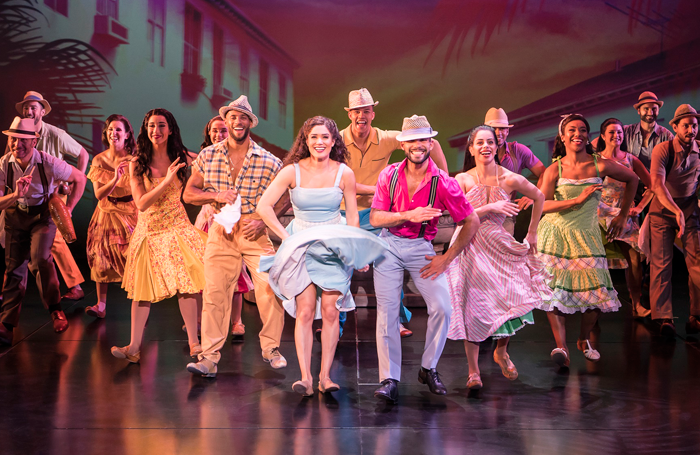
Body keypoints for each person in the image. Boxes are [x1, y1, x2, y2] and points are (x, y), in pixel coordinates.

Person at [257, 116, 388, 396]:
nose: (319, 142)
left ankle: (325, 377)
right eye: (314, 137)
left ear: (333, 141)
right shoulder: (292, 171)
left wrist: (356, 250)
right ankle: (305, 377)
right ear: (305, 140)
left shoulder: (344, 173)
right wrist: (286, 236)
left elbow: (352, 216)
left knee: (330, 310)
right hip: (301, 244)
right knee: (305, 311)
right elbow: (264, 206)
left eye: (325, 137)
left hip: (333, 244)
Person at [370, 115, 479, 403]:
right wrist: (407, 215)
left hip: (421, 247)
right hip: (389, 246)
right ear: (403, 145)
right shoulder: (389, 175)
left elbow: (471, 221)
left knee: (442, 306)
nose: (418, 145)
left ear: (431, 143)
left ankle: (428, 368)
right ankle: (389, 378)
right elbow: (376, 217)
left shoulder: (444, 182)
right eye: (412, 140)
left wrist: (447, 259)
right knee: (388, 313)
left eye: (423, 139)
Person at [185, 95, 289, 378]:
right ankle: (208, 358)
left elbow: (286, 196)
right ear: (226, 121)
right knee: (215, 294)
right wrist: (215, 194)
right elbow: (189, 193)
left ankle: (271, 349)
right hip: (221, 230)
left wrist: (265, 223)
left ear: (250, 122)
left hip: (254, 229)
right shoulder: (209, 156)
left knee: (270, 290)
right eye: (233, 117)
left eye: (243, 117)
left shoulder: (268, 160)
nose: (237, 121)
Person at [332, 87, 448, 339]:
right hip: (344, 213)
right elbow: (338, 178)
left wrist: (443, 177)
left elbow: (430, 141)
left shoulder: (385, 138)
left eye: (366, 110)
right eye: (356, 111)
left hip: (377, 213)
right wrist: (380, 188)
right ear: (349, 114)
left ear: (373, 113)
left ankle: (397, 319)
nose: (361, 115)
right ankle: (335, 325)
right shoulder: (337, 139)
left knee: (388, 262)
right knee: (341, 268)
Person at [447, 125, 549, 390]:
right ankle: (473, 372)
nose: (485, 147)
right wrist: (490, 207)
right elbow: (459, 217)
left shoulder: (508, 178)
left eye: (490, 142)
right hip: (469, 246)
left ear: (497, 146)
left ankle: (501, 351)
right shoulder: (462, 180)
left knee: (510, 297)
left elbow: (539, 196)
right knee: (471, 306)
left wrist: (533, 231)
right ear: (471, 148)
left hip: (498, 244)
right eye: (479, 142)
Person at [537, 114, 637, 366]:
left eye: (583, 130)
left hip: (587, 234)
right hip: (556, 234)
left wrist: (623, 215)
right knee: (555, 295)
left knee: (596, 294)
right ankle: (561, 347)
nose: (577, 134)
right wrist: (575, 200)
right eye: (572, 130)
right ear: (562, 136)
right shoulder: (554, 169)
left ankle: (582, 339)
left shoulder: (599, 164)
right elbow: (542, 205)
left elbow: (633, 178)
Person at [111, 108, 206, 363]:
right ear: (145, 129)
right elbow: (141, 203)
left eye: (162, 125)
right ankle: (133, 347)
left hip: (177, 227)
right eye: (152, 125)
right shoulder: (136, 163)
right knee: (141, 292)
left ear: (171, 129)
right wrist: (166, 181)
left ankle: (195, 343)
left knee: (186, 285)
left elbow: (208, 166)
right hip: (149, 230)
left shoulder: (183, 157)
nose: (157, 131)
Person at [0, 117, 86, 345]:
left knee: (40, 259)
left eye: (23, 140)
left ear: (34, 141)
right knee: (14, 268)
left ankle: (55, 309)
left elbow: (80, 177)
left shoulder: (49, 163)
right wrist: (16, 195)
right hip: (15, 214)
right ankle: (6, 325)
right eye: (13, 139)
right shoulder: (4, 164)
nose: (17, 144)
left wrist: (68, 209)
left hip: (42, 216)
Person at [16, 91, 88, 301]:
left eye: (33, 108)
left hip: (54, 195)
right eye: (26, 108)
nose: (29, 112)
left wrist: (76, 180)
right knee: (20, 239)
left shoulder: (56, 134)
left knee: (53, 237)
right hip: (29, 196)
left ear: (43, 111)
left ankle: (74, 286)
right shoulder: (19, 133)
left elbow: (83, 153)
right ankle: (12, 286)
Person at [193, 115, 250, 341]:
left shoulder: (240, 156)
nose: (218, 135)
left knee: (236, 273)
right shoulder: (204, 158)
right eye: (214, 131)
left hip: (233, 220)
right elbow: (192, 191)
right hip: (208, 219)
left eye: (222, 130)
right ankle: (199, 320)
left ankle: (237, 320)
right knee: (203, 272)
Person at [648, 104, 700, 337]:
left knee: (697, 261)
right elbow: (657, 185)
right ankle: (663, 317)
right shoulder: (663, 149)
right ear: (675, 127)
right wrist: (674, 210)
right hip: (663, 210)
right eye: (686, 125)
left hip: (689, 208)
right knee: (661, 263)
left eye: (695, 125)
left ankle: (696, 315)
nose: (691, 129)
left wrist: (687, 209)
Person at [595, 118, 653, 319]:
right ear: (602, 136)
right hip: (600, 213)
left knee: (636, 259)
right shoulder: (596, 160)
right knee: (596, 261)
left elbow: (652, 185)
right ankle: (596, 307)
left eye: (619, 132)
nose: (616, 136)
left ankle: (637, 303)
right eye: (611, 132)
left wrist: (639, 207)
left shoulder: (630, 159)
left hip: (624, 213)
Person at [84, 114, 138, 319]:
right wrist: (115, 177)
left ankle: (139, 303)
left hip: (131, 211)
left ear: (126, 135)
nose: (113, 133)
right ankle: (101, 304)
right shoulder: (100, 159)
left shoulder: (135, 157)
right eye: (110, 130)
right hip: (106, 211)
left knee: (133, 257)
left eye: (118, 130)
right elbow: (99, 194)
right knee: (101, 256)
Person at [479, 108, 546, 234]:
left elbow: (544, 173)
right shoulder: (477, 150)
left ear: (508, 131)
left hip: (506, 217)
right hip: (480, 213)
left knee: (504, 252)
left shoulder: (518, 151)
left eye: (502, 128)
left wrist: (534, 197)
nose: (498, 133)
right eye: (494, 128)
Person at [622, 92, 674, 170]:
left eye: (654, 109)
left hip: (655, 181)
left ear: (658, 110)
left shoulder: (667, 136)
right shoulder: (626, 131)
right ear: (639, 111)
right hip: (631, 181)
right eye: (646, 109)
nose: (650, 112)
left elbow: (674, 164)